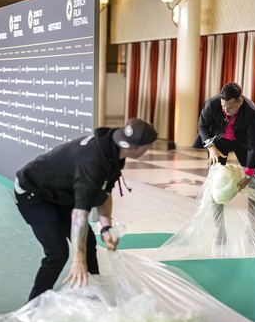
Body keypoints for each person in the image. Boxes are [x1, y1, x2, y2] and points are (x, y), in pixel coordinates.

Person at [14, 118, 158, 301]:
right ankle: (33, 305)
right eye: (149, 145)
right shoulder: (94, 163)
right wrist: (78, 260)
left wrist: (106, 227)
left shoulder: (112, 148)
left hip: (60, 193)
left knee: (88, 242)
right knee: (57, 253)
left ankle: (93, 295)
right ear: (138, 147)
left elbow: (104, 193)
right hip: (34, 193)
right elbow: (79, 215)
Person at [198, 82, 255, 185]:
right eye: (223, 107)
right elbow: (202, 125)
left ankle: (254, 201)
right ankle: (214, 201)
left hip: (242, 142)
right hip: (219, 142)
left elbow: (253, 144)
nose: (226, 111)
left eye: (230, 108)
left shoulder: (251, 112)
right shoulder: (212, 104)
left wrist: (249, 174)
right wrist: (211, 147)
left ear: (240, 101)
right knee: (215, 178)